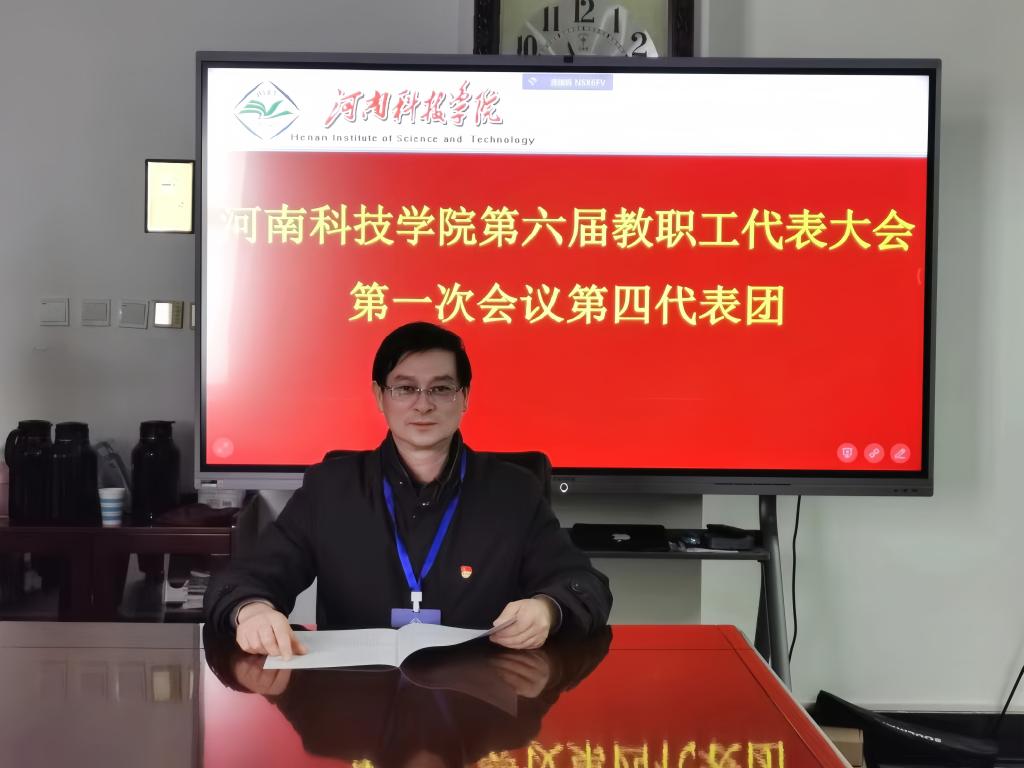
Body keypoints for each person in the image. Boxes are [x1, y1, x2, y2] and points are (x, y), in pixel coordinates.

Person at [205, 321, 612, 658]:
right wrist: (252, 611)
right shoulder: (329, 489)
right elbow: (247, 577)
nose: (423, 404)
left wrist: (547, 609)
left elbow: (583, 582)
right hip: (353, 701)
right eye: (405, 388)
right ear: (379, 397)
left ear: (464, 398)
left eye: (441, 388)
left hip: (482, 697)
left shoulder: (513, 491)